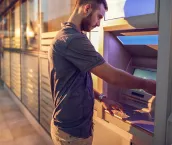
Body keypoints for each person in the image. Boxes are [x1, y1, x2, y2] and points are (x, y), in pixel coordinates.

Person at [48, 0, 156, 145]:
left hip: (71, 130)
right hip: (71, 135)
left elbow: (76, 83)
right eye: (99, 16)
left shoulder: (70, 36)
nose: (99, 23)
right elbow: (112, 76)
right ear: (86, 8)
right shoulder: (72, 39)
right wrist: (147, 84)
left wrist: (102, 97)